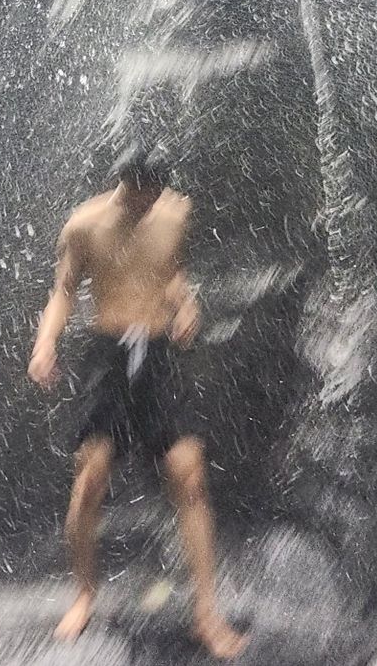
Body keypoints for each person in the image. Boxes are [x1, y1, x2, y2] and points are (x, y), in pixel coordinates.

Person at [28, 146, 248, 659]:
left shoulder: (176, 212)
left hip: (156, 355)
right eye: (132, 198)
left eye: (149, 199)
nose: (141, 208)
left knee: (189, 474)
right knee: (90, 479)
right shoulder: (83, 225)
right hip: (107, 356)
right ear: (121, 185)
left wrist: (185, 303)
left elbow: (169, 271)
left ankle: (206, 614)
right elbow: (63, 290)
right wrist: (45, 343)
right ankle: (84, 594)